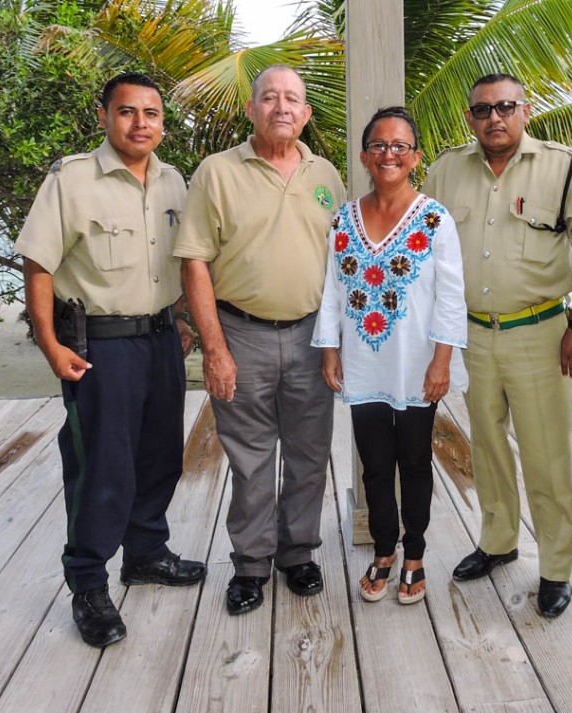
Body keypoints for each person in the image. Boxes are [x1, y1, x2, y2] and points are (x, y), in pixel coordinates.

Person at [15, 71, 206, 648]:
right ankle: (88, 584)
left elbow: (177, 263)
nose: (140, 123)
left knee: (160, 455)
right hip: (100, 347)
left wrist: (180, 319)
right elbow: (39, 265)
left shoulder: (174, 182)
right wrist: (49, 344)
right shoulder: (71, 180)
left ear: (162, 123)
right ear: (104, 116)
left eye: (151, 113)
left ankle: (145, 553)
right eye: (127, 111)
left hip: (161, 341)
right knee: (101, 466)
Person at [422, 73, 572, 618]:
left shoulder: (564, 167)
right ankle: (498, 540)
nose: (494, 118)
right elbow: (424, 247)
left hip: (541, 333)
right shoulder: (445, 170)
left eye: (505, 107)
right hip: (472, 332)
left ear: (526, 110)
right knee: (487, 446)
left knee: (547, 454)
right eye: (482, 110)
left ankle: (556, 567)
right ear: (470, 118)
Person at [174, 65, 346, 616]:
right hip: (240, 333)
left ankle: (298, 553)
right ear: (251, 109)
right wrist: (215, 348)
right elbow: (194, 261)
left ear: (306, 114)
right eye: (269, 97)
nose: (281, 107)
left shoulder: (326, 175)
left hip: (311, 335)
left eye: (292, 99)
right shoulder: (217, 172)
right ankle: (250, 563)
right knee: (250, 457)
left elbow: (343, 262)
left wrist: (338, 340)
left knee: (309, 451)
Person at [312, 107, 467, 605]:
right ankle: (384, 550)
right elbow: (333, 291)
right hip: (364, 362)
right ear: (364, 156)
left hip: (418, 364)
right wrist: (330, 349)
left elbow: (451, 297)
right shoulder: (343, 219)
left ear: (415, 157)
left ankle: (414, 554)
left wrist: (442, 361)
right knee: (375, 465)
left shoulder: (435, 219)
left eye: (400, 146)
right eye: (379, 145)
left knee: (415, 462)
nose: (389, 154)